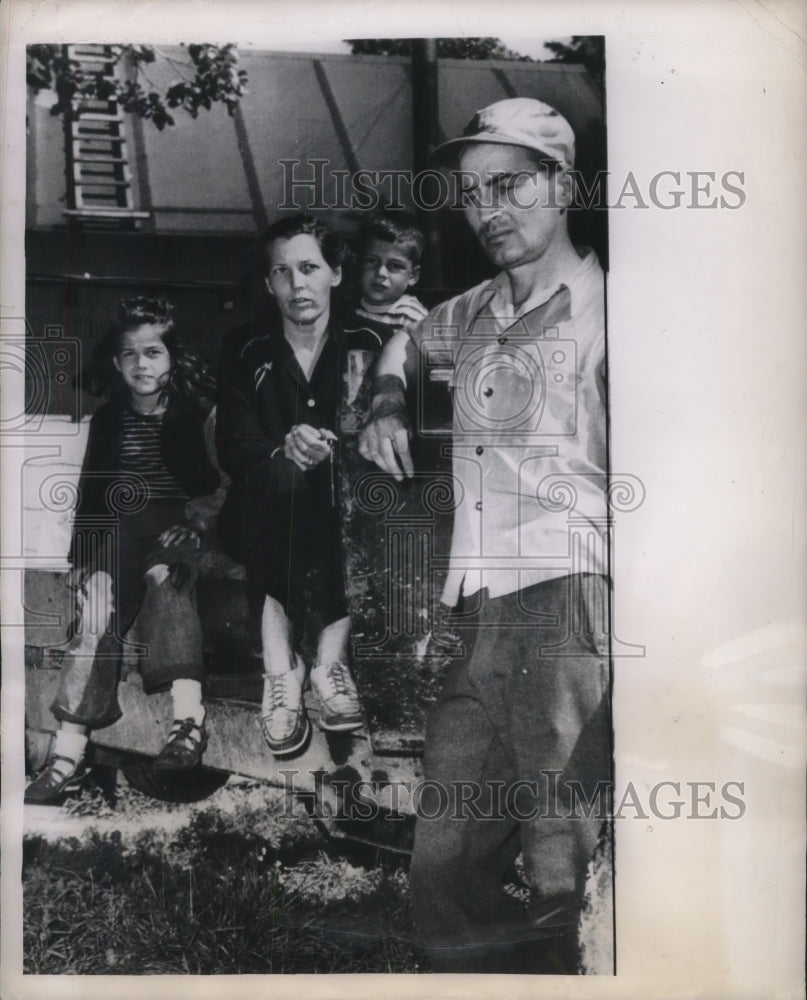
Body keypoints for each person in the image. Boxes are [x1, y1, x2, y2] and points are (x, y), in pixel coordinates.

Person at [359, 98, 613, 973]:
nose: (487, 210)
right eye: (471, 194)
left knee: (558, 859)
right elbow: (402, 344)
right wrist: (389, 398)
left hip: (562, 595)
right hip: (473, 601)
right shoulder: (467, 312)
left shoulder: (614, 316)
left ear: (563, 184)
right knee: (445, 859)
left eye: (509, 185)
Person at [25, 297, 221, 805]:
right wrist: (85, 561)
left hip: (172, 532)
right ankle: (67, 752)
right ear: (116, 363)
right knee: (96, 609)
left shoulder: (197, 415)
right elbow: (93, 496)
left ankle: (187, 722)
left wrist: (198, 525)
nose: (142, 365)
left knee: (168, 582)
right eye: (130, 355)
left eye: (153, 352)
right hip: (117, 536)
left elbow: (221, 484)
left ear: (172, 357)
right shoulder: (109, 419)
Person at [216, 215, 376, 757]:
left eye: (309, 268)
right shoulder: (245, 348)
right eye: (281, 272)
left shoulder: (369, 344)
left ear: (335, 272)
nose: (296, 284)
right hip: (260, 512)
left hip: (338, 510)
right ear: (268, 284)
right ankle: (280, 670)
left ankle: (331, 663)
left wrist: (335, 450)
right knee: (285, 479)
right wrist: (282, 446)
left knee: (344, 490)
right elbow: (234, 447)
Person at [350, 209, 428, 341]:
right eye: (372, 261)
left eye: (395, 265)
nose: (380, 273)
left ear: (413, 276)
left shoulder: (412, 317)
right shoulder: (350, 309)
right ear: (359, 264)